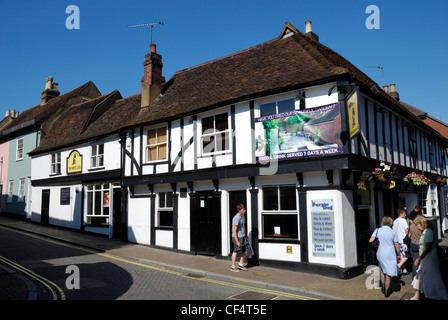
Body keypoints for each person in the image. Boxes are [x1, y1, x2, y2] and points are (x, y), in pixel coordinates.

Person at [408, 215, 448, 300]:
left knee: (431, 278)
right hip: (426, 259)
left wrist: (419, 258)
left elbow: (427, 248)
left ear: (421, 224)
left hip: (429, 259)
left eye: (417, 225)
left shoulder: (428, 232)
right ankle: (419, 296)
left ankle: (435, 295)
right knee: (420, 276)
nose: (417, 227)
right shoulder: (425, 231)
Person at [369, 216, 401, 297]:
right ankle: (387, 292)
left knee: (383, 269)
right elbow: (397, 245)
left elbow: (370, 240)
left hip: (380, 253)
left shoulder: (377, 230)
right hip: (390, 254)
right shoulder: (393, 232)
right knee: (389, 274)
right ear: (390, 222)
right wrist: (399, 254)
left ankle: (383, 286)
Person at [230, 204, 251, 272]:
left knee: (248, 249)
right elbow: (234, 230)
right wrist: (237, 241)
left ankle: (240, 264)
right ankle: (233, 266)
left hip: (243, 236)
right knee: (236, 251)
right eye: (243, 209)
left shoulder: (243, 216)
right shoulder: (236, 218)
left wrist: (246, 233)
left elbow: (243, 226)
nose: (245, 210)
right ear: (239, 210)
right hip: (237, 237)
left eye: (244, 209)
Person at [393, 208, 409, 275]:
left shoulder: (395, 221)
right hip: (403, 240)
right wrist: (408, 238)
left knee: (401, 256)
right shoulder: (403, 220)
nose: (405, 215)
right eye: (404, 213)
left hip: (397, 240)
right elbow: (406, 230)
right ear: (401, 214)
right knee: (407, 255)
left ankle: (404, 270)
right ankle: (398, 266)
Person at [408, 213, 423, 278]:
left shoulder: (411, 226)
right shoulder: (421, 226)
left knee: (415, 261)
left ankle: (414, 277)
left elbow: (409, 235)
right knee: (423, 261)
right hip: (421, 244)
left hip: (413, 244)